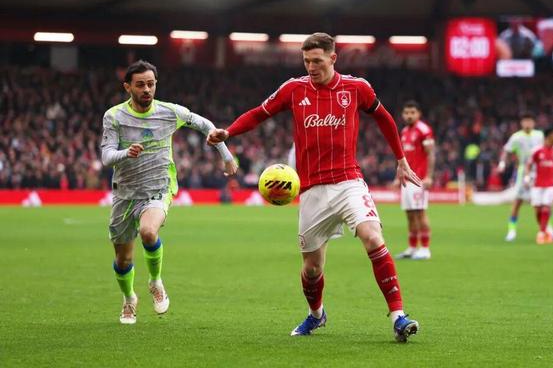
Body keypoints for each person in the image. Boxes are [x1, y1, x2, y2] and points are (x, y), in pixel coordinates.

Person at [207, 33, 421, 342]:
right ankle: (317, 314)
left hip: (348, 182)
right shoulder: (293, 89)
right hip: (311, 190)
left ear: (333, 58)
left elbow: (385, 118)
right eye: (306, 61)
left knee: (373, 238)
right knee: (311, 269)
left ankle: (398, 316)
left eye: (317, 61)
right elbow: (258, 113)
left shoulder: (356, 88)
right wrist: (229, 132)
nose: (311, 67)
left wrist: (400, 159)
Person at [101, 60, 237, 324]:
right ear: (128, 87)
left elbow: (206, 125)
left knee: (148, 232)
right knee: (123, 259)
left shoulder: (170, 112)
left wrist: (226, 155)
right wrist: (125, 153)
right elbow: (106, 157)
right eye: (140, 85)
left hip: (158, 188)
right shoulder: (114, 116)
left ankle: (155, 281)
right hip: (125, 193)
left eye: (151, 84)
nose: (146, 89)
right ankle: (129, 298)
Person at [497, 113, 553, 241]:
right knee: (517, 202)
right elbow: (506, 151)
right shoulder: (516, 137)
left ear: (534, 123)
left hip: (540, 172)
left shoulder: (539, 135)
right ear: (521, 123)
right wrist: (502, 163)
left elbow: (550, 147)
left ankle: (549, 228)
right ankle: (511, 231)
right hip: (524, 172)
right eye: (525, 121)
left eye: (530, 121)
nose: (527, 124)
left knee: (545, 203)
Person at [394, 100, 435, 260]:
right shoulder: (404, 131)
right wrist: (398, 177)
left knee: (420, 213)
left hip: (419, 180)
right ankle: (412, 248)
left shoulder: (424, 130)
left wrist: (429, 176)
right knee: (410, 214)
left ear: (419, 114)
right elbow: (403, 157)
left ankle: (425, 248)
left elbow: (431, 154)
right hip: (407, 180)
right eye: (406, 113)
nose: (409, 115)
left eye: (412, 112)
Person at [525, 127, 553, 245]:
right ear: (549, 136)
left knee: (546, 208)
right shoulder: (536, 150)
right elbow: (528, 165)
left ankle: (541, 234)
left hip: (551, 185)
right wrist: (527, 177)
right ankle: (546, 231)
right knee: (538, 210)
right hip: (536, 184)